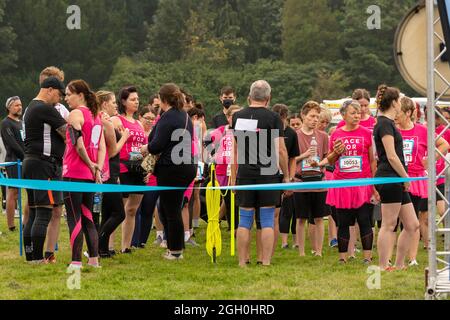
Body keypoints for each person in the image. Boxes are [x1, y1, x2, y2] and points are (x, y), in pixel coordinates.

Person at [231, 80, 290, 267]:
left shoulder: (237, 116)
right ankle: (265, 261)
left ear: (250, 96)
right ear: (268, 98)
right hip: (268, 172)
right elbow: (280, 150)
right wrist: (286, 176)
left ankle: (242, 261)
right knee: (266, 219)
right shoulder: (273, 118)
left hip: (246, 172)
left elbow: (236, 150)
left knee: (245, 219)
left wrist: (233, 177)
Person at [141, 83, 197, 260]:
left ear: (163, 99)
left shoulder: (168, 117)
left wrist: (145, 148)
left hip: (172, 168)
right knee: (171, 208)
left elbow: (156, 144)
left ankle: (175, 251)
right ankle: (176, 247)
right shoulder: (184, 116)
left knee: (170, 210)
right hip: (187, 166)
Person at [395, 96, 448, 266]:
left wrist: (430, 160)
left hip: (416, 179)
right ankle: (392, 257)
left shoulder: (422, 130)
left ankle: (412, 258)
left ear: (409, 113)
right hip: (395, 179)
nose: (395, 114)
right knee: (393, 221)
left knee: (414, 221)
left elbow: (444, 144)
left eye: (399, 111)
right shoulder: (393, 130)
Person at [373, 84, 419, 271]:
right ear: (393, 102)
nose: (401, 103)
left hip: (395, 177)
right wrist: (405, 178)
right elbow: (391, 156)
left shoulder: (389, 123)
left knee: (412, 224)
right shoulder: (384, 123)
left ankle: (399, 264)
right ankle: (384, 265)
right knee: (389, 224)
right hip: (389, 177)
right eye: (399, 100)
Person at [324, 101, 377, 264]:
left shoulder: (367, 133)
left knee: (364, 221)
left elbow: (372, 161)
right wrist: (336, 152)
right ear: (343, 115)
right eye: (353, 113)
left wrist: (374, 186)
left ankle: (367, 258)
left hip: (362, 184)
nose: (357, 116)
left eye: (358, 112)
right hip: (342, 184)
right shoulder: (336, 134)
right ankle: (343, 258)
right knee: (343, 223)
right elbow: (330, 160)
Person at [22, 76, 67, 264]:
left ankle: (31, 256)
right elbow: (68, 131)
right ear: (49, 89)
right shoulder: (44, 108)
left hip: (31, 162)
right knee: (44, 212)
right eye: (58, 95)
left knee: (33, 211)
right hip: (44, 164)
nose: (59, 99)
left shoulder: (30, 108)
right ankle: (38, 258)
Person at [63, 80, 106, 268]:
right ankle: (94, 259)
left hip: (73, 172)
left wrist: (90, 165)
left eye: (68, 94)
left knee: (74, 217)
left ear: (80, 95)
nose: (66, 98)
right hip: (89, 175)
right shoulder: (96, 116)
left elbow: (78, 145)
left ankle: (76, 261)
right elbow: (102, 147)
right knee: (88, 216)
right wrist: (97, 169)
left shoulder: (75, 114)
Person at [111, 86, 147, 254]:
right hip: (124, 166)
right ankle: (109, 245)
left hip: (139, 167)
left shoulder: (139, 123)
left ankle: (126, 246)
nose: (136, 102)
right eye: (133, 99)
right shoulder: (117, 120)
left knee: (132, 209)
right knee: (118, 209)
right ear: (123, 101)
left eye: (137, 99)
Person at [38, 66, 69, 263]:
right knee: (37, 209)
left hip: (57, 163)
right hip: (42, 163)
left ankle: (49, 253)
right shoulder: (38, 107)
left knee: (56, 209)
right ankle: (34, 251)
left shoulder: (61, 109)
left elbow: (72, 131)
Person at [294, 101, 330, 257]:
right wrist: (304, 155)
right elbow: (290, 160)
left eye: (317, 116)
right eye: (312, 116)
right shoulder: (295, 136)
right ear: (303, 116)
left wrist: (321, 163)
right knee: (301, 219)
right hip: (300, 182)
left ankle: (319, 251)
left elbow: (327, 157)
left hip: (318, 182)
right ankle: (301, 252)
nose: (315, 120)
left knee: (319, 218)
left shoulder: (323, 136)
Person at [96, 91, 129, 257]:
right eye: (113, 102)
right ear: (104, 104)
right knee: (119, 213)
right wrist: (124, 137)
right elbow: (111, 151)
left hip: (110, 171)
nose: (116, 105)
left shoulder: (102, 120)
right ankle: (98, 244)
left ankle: (102, 249)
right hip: (108, 173)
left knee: (108, 213)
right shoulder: (103, 122)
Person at [270, 104, 300, 254]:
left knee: (280, 212)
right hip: (269, 174)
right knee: (273, 214)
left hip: (285, 175)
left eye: (282, 120)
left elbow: (292, 158)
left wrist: (290, 178)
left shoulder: (291, 133)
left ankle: (273, 247)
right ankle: (273, 246)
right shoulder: (269, 129)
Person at [131, 106, 159, 249]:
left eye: (152, 119)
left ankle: (142, 241)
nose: (149, 121)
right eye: (146, 118)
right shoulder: (137, 133)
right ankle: (133, 240)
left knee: (148, 209)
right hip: (137, 173)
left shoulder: (155, 135)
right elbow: (133, 154)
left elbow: (156, 155)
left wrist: (150, 171)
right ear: (139, 117)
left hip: (152, 176)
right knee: (136, 209)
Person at [1, 97, 25, 232]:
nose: (19, 107)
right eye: (16, 105)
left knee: (30, 191)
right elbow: (12, 143)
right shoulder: (5, 123)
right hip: (14, 161)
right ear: (9, 107)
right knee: (14, 192)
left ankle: (25, 221)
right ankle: (11, 225)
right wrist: (24, 157)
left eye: (20, 105)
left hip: (25, 160)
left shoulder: (21, 123)